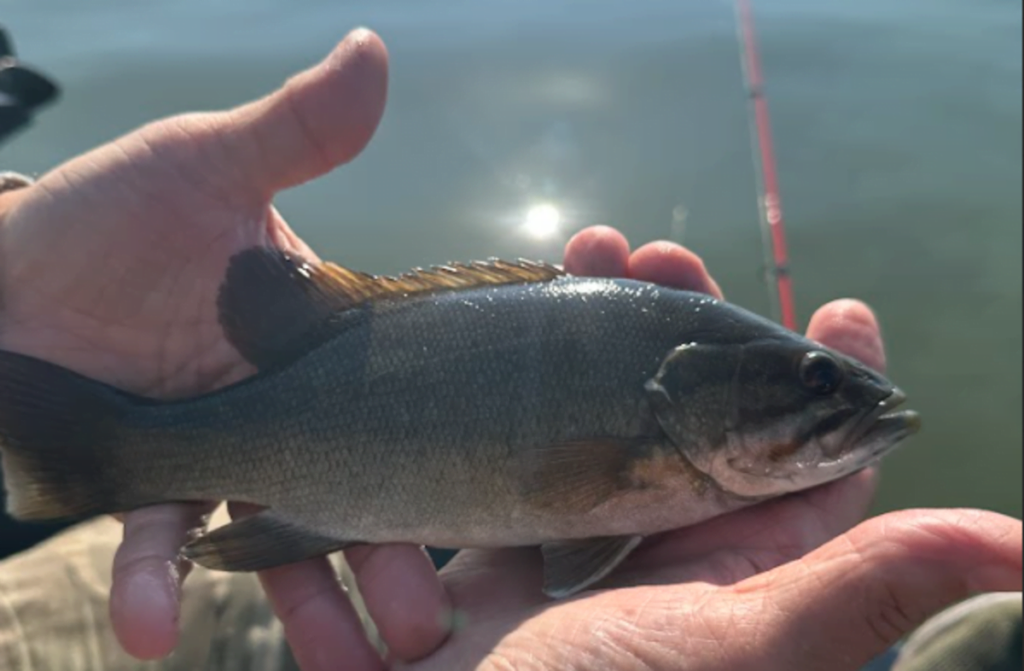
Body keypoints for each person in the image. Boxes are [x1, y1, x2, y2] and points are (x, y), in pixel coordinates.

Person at [0, 27, 1020, 671]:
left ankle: (95, 456)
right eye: (811, 380)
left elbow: (583, 528)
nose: (842, 399)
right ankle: (98, 454)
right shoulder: (656, 449)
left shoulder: (664, 442)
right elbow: (580, 523)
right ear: (692, 389)